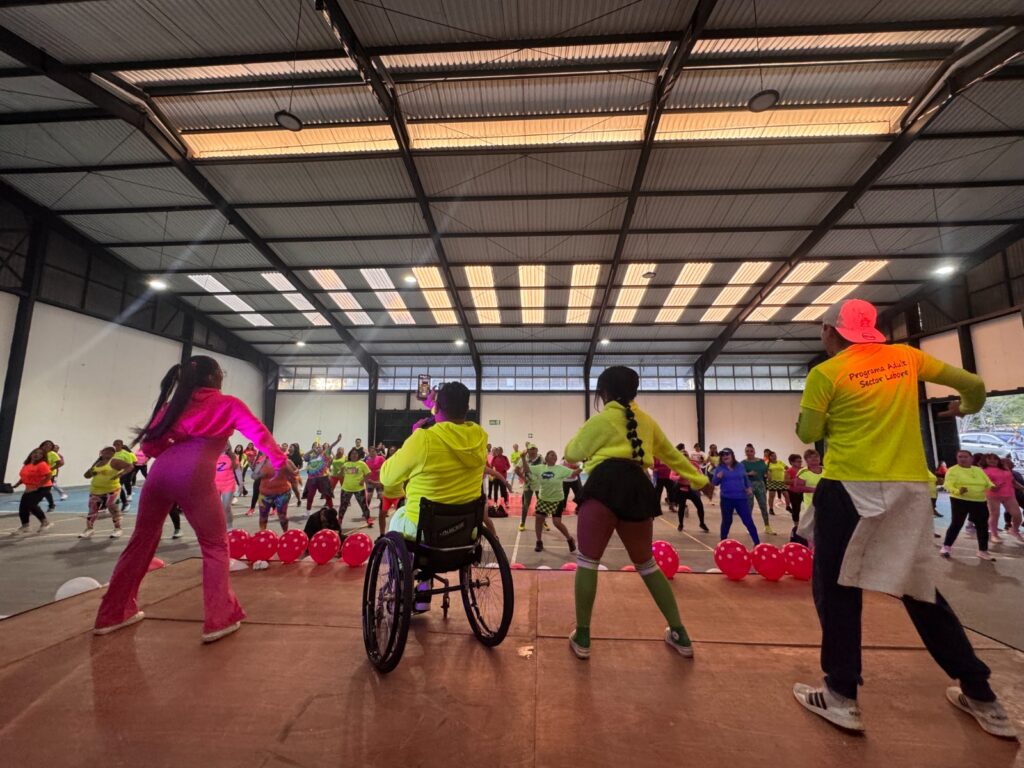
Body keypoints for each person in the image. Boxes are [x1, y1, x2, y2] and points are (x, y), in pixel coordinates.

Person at [792, 298, 1013, 738]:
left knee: (837, 589)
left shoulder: (827, 373)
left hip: (850, 487)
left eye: (822, 327)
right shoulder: (906, 358)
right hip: (910, 489)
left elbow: (808, 434)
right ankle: (983, 696)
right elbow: (972, 382)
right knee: (919, 591)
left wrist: (828, 417)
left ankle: (841, 696)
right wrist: (964, 409)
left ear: (833, 332)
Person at [94, 355, 288, 644]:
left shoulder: (174, 405)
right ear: (213, 378)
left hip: (159, 474)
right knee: (214, 545)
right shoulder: (227, 403)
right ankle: (218, 619)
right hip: (195, 474)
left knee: (140, 542)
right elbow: (258, 433)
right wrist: (280, 460)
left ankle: (112, 614)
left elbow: (150, 445)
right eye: (220, 373)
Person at [563, 366, 711, 661]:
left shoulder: (602, 420)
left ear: (603, 393)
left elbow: (572, 453)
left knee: (588, 561)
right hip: (637, 488)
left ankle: (583, 636)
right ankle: (680, 633)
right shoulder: (647, 422)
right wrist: (701, 481)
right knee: (647, 564)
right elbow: (671, 454)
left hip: (604, 486)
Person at [380, 380, 488, 612]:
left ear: (437, 408)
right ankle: (423, 590)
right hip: (464, 531)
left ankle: (403, 583)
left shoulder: (424, 438)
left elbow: (387, 478)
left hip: (426, 535)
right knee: (425, 523)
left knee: (398, 519)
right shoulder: (480, 436)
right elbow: (451, 426)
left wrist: (414, 437)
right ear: (466, 408)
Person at [941, 450, 995, 561]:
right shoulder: (952, 470)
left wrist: (992, 486)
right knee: (957, 523)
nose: (962, 459)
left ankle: (983, 551)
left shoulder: (978, 470)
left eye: (965, 457)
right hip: (960, 500)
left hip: (979, 501)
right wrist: (957, 491)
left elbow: (987, 482)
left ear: (971, 458)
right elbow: (947, 485)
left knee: (982, 526)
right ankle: (946, 547)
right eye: (960, 457)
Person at [80, 447, 133, 538]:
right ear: (101, 452)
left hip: (112, 489)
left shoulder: (115, 461)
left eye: (111, 451)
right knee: (92, 509)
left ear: (114, 453)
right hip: (96, 490)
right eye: (106, 450)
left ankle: (118, 529)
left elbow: (130, 466)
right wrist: (91, 471)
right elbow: (86, 476)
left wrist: (120, 474)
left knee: (112, 506)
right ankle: (89, 529)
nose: (109, 452)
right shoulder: (97, 463)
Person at [532, 450, 578, 553]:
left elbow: (573, 473)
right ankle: (539, 542)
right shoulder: (540, 468)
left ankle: (570, 539)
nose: (554, 456)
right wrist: (522, 459)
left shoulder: (560, 469)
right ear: (546, 458)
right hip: (543, 499)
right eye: (552, 454)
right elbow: (526, 469)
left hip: (557, 499)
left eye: (555, 455)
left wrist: (584, 466)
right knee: (539, 518)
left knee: (557, 523)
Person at [712, 448, 760, 545]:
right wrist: (718, 477)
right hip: (726, 499)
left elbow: (746, 479)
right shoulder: (720, 468)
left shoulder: (740, 466)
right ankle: (722, 543)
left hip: (741, 498)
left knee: (748, 521)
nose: (725, 456)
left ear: (732, 455)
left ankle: (757, 543)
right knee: (727, 521)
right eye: (723, 455)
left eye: (727, 454)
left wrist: (749, 488)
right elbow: (714, 483)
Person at [11, 448, 54, 534]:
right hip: (29, 487)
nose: (36, 454)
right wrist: (18, 484)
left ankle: (45, 523)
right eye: (35, 452)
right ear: (31, 454)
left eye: (40, 454)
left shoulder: (42, 464)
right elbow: (24, 476)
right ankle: (25, 526)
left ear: (42, 456)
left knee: (31, 504)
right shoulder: (27, 464)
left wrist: (38, 485)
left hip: (43, 487)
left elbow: (48, 476)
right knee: (23, 507)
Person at [982, 453, 1022, 543]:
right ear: (985, 460)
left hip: (1009, 495)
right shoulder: (984, 470)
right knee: (995, 514)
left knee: (1017, 515)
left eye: (995, 459)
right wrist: (992, 487)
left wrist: (1022, 488)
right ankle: (994, 535)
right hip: (993, 495)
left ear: (998, 460)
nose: (992, 461)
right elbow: (983, 483)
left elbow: (1012, 481)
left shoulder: (1005, 468)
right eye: (989, 459)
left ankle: (1014, 530)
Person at [256, 460, 301, 532]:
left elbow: (296, 473)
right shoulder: (261, 462)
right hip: (265, 493)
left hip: (283, 493)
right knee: (263, 517)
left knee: (282, 517)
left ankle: (285, 534)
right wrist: (260, 474)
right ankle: (262, 535)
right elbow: (254, 476)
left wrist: (292, 474)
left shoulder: (286, 461)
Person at [302, 434, 341, 511]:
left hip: (323, 478)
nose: (317, 448)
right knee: (310, 496)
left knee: (327, 495)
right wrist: (312, 450)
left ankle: (331, 509)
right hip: (311, 479)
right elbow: (304, 457)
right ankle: (307, 511)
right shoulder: (311, 457)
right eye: (316, 447)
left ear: (322, 449)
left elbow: (330, 447)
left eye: (319, 447)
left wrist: (337, 440)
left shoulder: (324, 455)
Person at [338, 447, 373, 528]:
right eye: (352, 454)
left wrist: (363, 480)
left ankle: (368, 520)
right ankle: (339, 520)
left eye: (355, 454)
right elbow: (340, 475)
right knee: (343, 506)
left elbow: (368, 473)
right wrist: (341, 470)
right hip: (346, 488)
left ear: (358, 455)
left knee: (364, 505)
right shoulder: (346, 464)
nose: (354, 455)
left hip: (359, 489)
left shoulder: (362, 464)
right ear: (349, 455)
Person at [742, 444, 773, 534]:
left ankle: (767, 526)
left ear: (754, 451)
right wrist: (748, 474)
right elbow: (739, 475)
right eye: (747, 451)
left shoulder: (761, 461)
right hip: (748, 486)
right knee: (749, 507)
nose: (749, 453)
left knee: (763, 506)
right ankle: (749, 527)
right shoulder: (742, 463)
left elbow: (766, 471)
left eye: (751, 451)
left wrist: (768, 474)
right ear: (745, 452)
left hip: (760, 485)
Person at [518, 444, 544, 532]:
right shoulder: (524, 458)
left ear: (537, 450)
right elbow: (516, 469)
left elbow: (546, 469)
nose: (532, 451)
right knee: (526, 504)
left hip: (539, 484)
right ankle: (522, 523)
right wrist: (523, 478)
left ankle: (543, 521)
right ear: (527, 451)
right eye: (530, 449)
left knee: (541, 504)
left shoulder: (541, 458)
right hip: (528, 484)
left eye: (534, 449)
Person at [215, 446, 238, 529]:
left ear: (228, 446)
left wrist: (241, 484)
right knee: (216, 508)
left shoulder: (233, 457)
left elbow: (238, 471)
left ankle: (229, 528)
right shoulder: (212, 455)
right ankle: (219, 526)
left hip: (228, 484)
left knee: (226, 507)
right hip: (214, 485)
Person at [113, 439, 138, 512]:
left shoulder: (127, 454)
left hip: (123, 473)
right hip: (113, 474)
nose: (116, 446)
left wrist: (123, 472)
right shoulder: (113, 453)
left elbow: (132, 465)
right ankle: (115, 500)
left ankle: (126, 502)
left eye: (118, 444)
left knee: (120, 486)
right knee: (114, 488)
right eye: (115, 444)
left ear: (121, 445)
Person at [39, 440, 62, 512]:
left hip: (50, 474)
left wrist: (50, 469)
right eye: (45, 445)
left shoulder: (53, 454)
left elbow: (60, 463)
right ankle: (34, 505)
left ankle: (51, 505)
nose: (47, 446)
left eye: (49, 445)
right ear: (42, 445)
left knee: (45, 490)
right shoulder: (39, 453)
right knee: (38, 490)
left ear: (52, 447)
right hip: (39, 474)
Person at [489, 446, 511, 516]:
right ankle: (495, 502)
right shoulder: (494, 458)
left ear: (502, 451)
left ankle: (506, 502)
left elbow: (508, 466)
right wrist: (492, 473)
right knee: (495, 490)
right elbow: (491, 466)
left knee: (503, 490)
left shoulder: (505, 458)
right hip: (496, 477)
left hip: (503, 477)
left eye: (500, 451)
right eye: (498, 451)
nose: (499, 452)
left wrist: (505, 469)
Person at [363, 446, 386, 511]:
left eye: (373, 451)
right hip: (370, 480)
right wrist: (366, 481)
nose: (372, 453)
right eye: (370, 452)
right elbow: (366, 471)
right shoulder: (367, 461)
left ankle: (384, 510)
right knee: (369, 496)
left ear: (376, 452)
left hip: (379, 481)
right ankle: (366, 510)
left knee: (381, 496)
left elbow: (386, 466)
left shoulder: (381, 458)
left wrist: (381, 469)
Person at [785, 453, 804, 524]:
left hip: (804, 491)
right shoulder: (789, 471)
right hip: (794, 492)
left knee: (810, 507)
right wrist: (795, 481)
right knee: (796, 509)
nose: (800, 463)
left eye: (800, 461)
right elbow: (786, 481)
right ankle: (796, 525)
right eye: (798, 461)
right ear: (792, 462)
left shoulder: (803, 470)